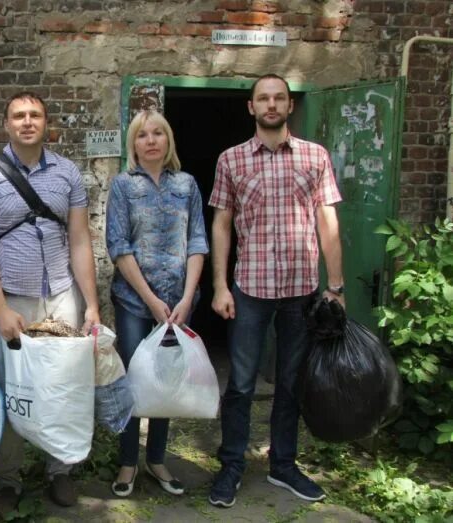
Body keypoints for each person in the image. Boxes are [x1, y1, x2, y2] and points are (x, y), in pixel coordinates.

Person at [208, 74, 345, 508]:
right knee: (242, 385)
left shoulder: (314, 156)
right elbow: (222, 224)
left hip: (301, 291)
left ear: (289, 105)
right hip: (249, 288)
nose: (271, 105)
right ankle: (231, 465)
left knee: (290, 383)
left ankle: (283, 465)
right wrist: (219, 286)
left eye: (279, 98)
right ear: (251, 107)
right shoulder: (231, 160)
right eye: (263, 99)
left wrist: (336, 287)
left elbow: (328, 223)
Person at [0, 91, 101, 517]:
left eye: (35, 115)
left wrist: (91, 304)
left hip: (62, 297)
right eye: (18, 116)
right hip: (14, 300)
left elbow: (79, 240)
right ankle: (8, 479)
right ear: (6, 125)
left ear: (46, 123)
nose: (27, 122)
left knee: (63, 387)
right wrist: (0, 308)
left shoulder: (67, 173)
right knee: (15, 391)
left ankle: (60, 470)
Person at [105, 109, 208, 498]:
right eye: (142, 135)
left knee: (167, 379)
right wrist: (150, 299)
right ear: (133, 144)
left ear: (168, 141)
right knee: (135, 378)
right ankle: (128, 461)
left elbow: (198, 241)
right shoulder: (123, 186)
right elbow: (118, 245)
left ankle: (158, 458)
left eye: (158, 133)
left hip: (180, 303)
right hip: (134, 301)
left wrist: (185, 298)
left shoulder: (187, 184)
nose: (151, 140)